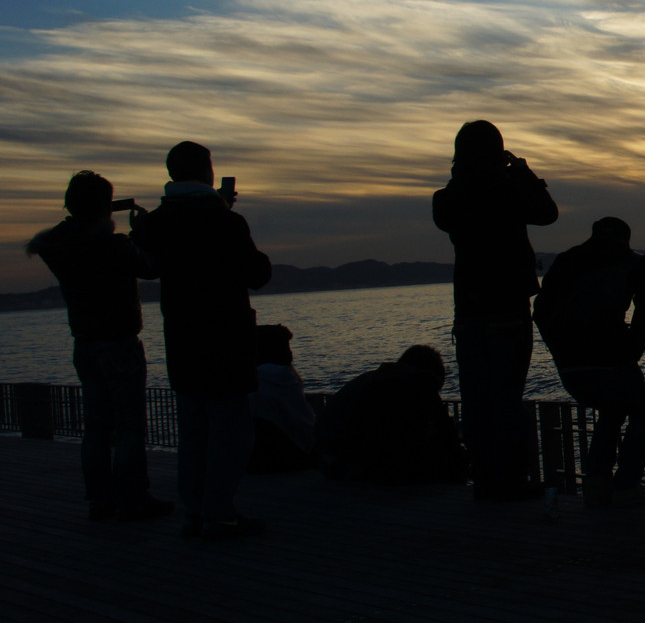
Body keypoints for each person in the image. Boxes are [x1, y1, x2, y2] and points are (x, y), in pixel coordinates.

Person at [132, 141, 273, 539]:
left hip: (181, 339)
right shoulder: (225, 221)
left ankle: (195, 511)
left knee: (194, 432)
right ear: (208, 172)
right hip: (226, 339)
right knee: (231, 432)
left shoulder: (156, 223)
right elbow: (257, 274)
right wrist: (224, 212)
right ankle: (219, 513)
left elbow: (148, 266)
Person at [25, 171, 171, 522]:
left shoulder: (57, 247)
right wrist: (142, 234)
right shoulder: (112, 246)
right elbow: (152, 267)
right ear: (104, 206)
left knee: (97, 425)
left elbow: (76, 237)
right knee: (129, 425)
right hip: (120, 342)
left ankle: (101, 499)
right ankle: (132, 498)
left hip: (85, 344)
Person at [431, 121, 559, 501]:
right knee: (506, 397)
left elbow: (456, 204)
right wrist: (521, 172)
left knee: (476, 399)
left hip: (469, 312)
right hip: (508, 308)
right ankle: (511, 479)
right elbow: (547, 213)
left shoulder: (446, 199)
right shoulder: (507, 189)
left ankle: (486, 479)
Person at [536, 216, 645, 507]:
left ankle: (595, 484)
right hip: (613, 358)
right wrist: (633, 349)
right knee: (641, 413)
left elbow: (540, 310)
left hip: (571, 364)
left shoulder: (566, 259)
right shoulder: (634, 262)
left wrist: (559, 350)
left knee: (612, 411)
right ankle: (626, 486)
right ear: (626, 238)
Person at [313, 346, 468, 484]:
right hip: (347, 466)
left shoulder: (375, 380)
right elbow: (446, 435)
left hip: (329, 461)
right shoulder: (413, 383)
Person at [245, 324, 317, 473]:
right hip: (289, 456)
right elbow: (303, 425)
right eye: (286, 346)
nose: (290, 352)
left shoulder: (252, 381)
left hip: (252, 459)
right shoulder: (283, 379)